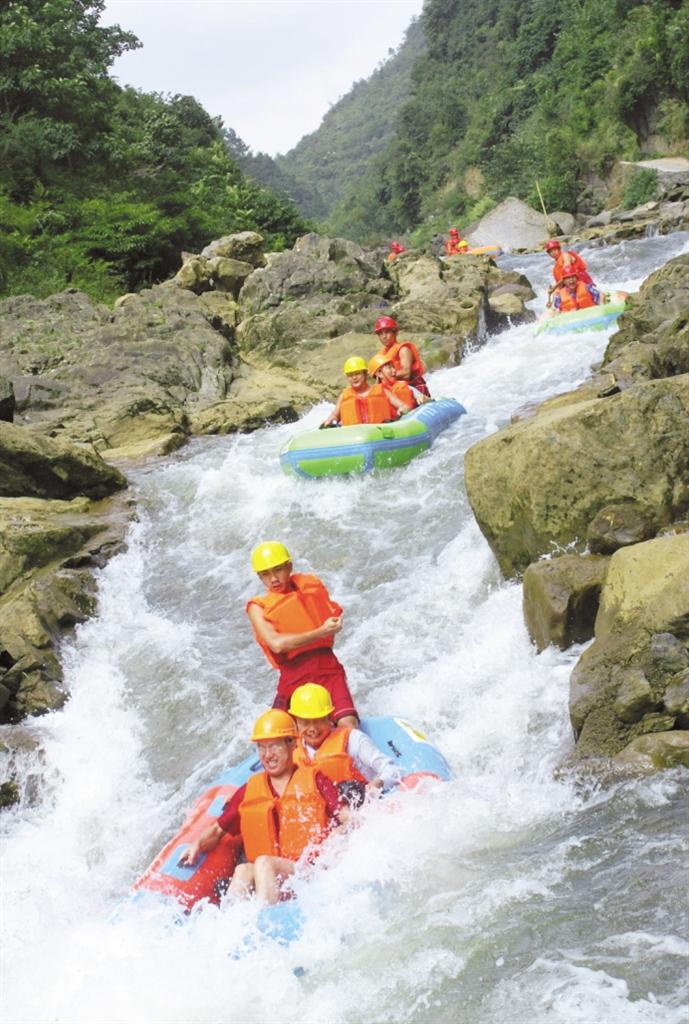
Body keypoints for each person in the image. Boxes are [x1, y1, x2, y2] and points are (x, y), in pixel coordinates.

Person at [179, 710, 350, 905]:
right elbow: (218, 829)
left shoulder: (316, 780)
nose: (268, 756)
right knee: (243, 870)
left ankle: (263, 920)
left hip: (309, 872)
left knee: (263, 862)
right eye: (262, 748)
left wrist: (338, 836)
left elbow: (347, 818)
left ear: (292, 743)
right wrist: (197, 845)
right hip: (270, 879)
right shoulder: (249, 790)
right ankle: (234, 926)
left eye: (274, 746)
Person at [247, 540, 359, 728]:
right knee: (277, 732)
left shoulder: (311, 587)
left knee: (348, 724)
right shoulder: (257, 607)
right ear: (260, 577)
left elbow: (328, 631)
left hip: (327, 668)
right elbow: (277, 644)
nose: (273, 578)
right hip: (292, 676)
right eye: (265, 574)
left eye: (278, 570)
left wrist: (331, 627)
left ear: (289, 567)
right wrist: (321, 632)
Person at [289, 683, 402, 794]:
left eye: (318, 720)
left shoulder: (354, 739)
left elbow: (392, 770)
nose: (312, 728)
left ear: (329, 717)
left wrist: (379, 783)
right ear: (296, 723)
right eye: (305, 723)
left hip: (360, 801)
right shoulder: (291, 750)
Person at [320, 356, 396, 427]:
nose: (354, 377)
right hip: (354, 436)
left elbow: (402, 406)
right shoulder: (344, 396)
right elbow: (335, 415)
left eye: (357, 374)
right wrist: (329, 421)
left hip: (380, 433)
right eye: (350, 375)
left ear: (365, 374)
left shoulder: (383, 391)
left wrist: (402, 410)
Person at [373, 316, 431, 398]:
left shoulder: (403, 349)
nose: (384, 336)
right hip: (397, 390)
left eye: (387, 332)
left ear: (395, 333)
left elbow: (406, 373)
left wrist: (387, 375)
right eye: (380, 334)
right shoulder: (382, 355)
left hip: (414, 388)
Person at [544, 239, 596, 306]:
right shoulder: (555, 268)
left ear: (559, 249)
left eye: (554, 250)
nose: (553, 253)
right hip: (570, 286)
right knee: (558, 293)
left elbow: (567, 274)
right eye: (550, 252)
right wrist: (553, 295)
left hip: (581, 282)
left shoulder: (565, 256)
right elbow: (561, 284)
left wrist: (554, 287)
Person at [367, 352, 418, 416]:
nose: (394, 370)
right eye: (389, 368)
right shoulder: (373, 395)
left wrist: (422, 398)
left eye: (393, 367)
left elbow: (426, 399)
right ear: (379, 373)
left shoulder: (405, 386)